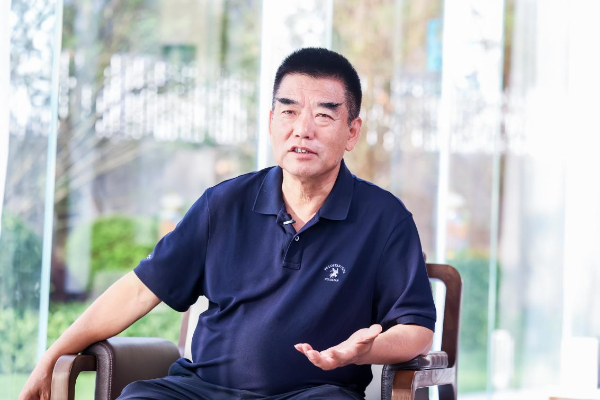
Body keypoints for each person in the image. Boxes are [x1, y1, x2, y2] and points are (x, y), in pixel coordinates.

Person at [20, 48, 435, 400]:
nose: (302, 129)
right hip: (202, 389)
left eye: (324, 116)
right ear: (271, 121)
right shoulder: (223, 204)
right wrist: (52, 356)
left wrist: (360, 352)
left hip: (312, 393)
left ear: (352, 132)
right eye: (289, 111)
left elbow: (416, 329)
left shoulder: (385, 219)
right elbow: (139, 290)